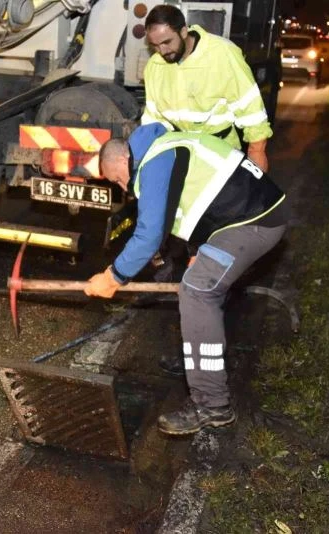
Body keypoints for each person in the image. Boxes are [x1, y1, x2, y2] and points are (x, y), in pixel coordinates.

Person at [84, 123, 288, 435]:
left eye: (118, 179)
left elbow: (149, 234)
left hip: (253, 222)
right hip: (246, 217)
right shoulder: (169, 147)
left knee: (196, 291)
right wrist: (196, 250)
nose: (124, 188)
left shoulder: (155, 160)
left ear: (123, 160)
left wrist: (113, 277)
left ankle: (212, 405)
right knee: (195, 281)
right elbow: (201, 201)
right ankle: (203, 363)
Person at [142, 5, 273, 172]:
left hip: (221, 157)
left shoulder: (222, 54)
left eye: (167, 42)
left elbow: (252, 114)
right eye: (155, 45)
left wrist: (256, 160)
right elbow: (153, 120)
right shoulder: (155, 66)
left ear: (183, 32)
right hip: (181, 156)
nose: (162, 51)